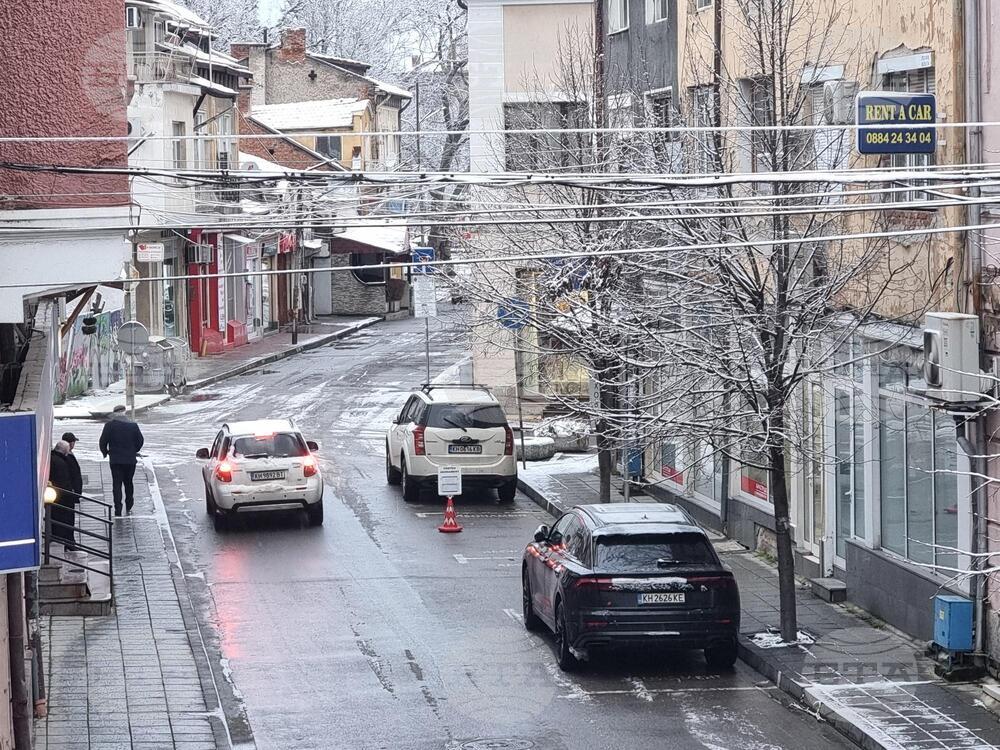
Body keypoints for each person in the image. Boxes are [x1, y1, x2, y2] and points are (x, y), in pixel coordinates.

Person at [99, 405, 144, 516]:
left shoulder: (109, 426)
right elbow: (140, 440)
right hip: (130, 460)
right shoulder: (133, 425)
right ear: (124, 413)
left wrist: (105, 452)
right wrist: (134, 450)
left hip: (115, 460)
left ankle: (117, 508)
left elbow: (103, 441)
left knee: (116, 484)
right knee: (128, 482)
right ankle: (129, 504)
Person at [48, 441, 79, 551]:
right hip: (64, 498)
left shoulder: (53, 459)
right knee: (66, 521)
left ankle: (67, 542)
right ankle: (69, 543)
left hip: (57, 497)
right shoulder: (61, 463)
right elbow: (64, 481)